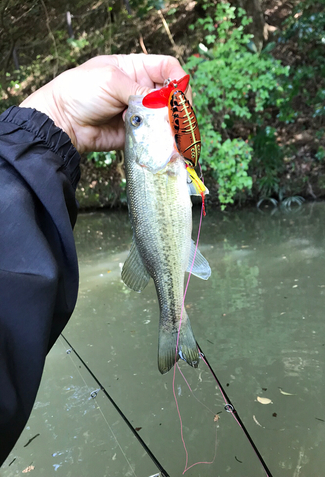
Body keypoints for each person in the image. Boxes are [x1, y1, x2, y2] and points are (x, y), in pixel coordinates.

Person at [0, 54, 189, 466]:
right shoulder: (161, 163)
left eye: (133, 124)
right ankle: (174, 321)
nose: (135, 117)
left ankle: (173, 320)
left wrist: (60, 115)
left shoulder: (158, 162)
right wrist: (56, 117)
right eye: (134, 123)